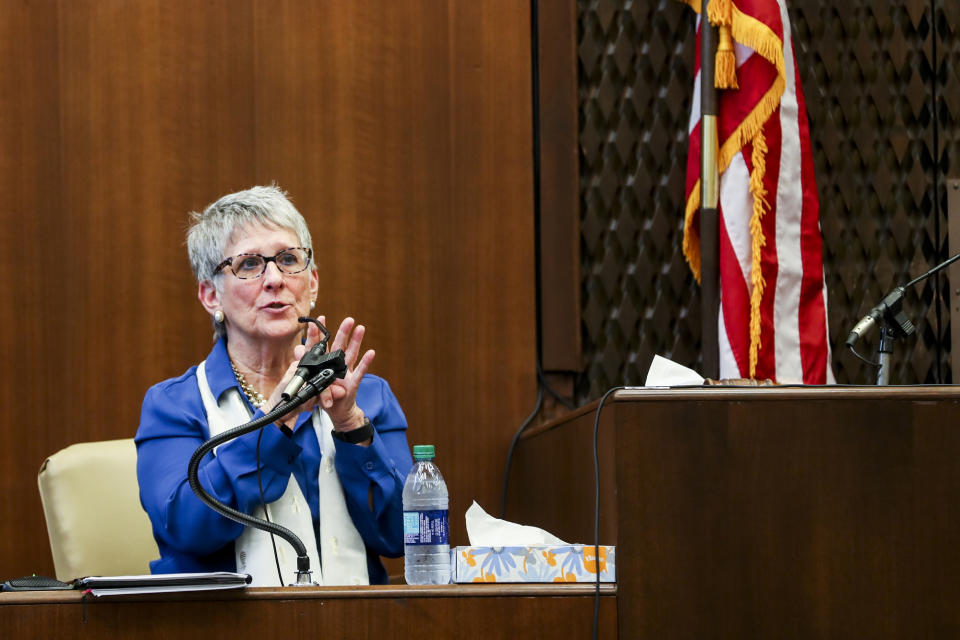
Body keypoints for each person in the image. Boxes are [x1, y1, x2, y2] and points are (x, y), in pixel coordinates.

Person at [135, 186, 412, 586]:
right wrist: (277, 420)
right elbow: (187, 528)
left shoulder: (365, 395)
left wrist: (351, 424)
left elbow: (405, 536)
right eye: (248, 264)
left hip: (357, 622)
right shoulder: (174, 406)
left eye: (287, 260)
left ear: (312, 283)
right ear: (211, 294)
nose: (275, 279)